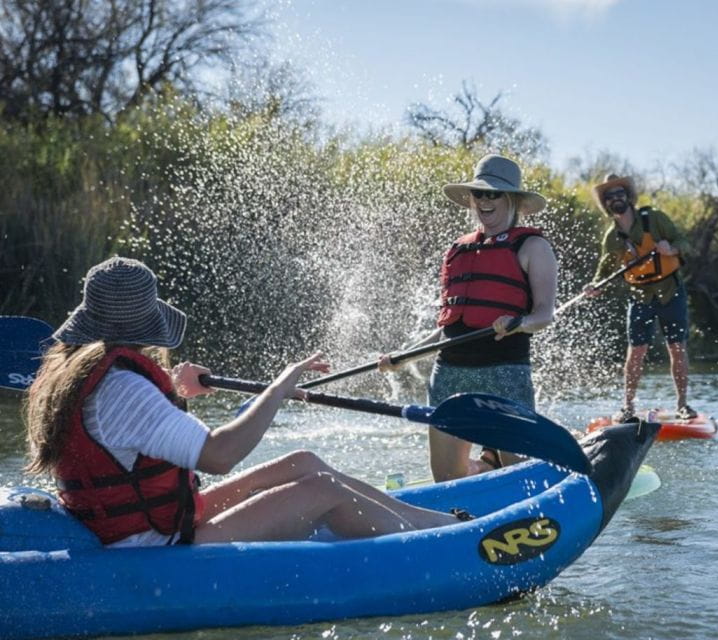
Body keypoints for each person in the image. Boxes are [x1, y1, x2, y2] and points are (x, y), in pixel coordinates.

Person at [24, 257, 463, 548]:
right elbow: (220, 456)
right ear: (142, 323)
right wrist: (279, 387)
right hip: (154, 541)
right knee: (324, 492)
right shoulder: (124, 388)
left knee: (303, 461)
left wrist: (176, 394)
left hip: (150, 520)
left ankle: (436, 521)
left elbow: (128, 431)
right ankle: (442, 544)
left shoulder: (85, 373)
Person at [379, 154, 558, 481]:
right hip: (450, 375)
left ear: (512, 200)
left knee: (519, 474)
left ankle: (500, 473)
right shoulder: (457, 250)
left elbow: (544, 314)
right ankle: (467, 503)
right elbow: (446, 330)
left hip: (504, 372)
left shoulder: (533, 247)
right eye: (479, 193)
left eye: (494, 194)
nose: (484, 201)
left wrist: (518, 323)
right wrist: (403, 357)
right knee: (447, 480)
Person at [584, 173, 697, 422]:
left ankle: (682, 404)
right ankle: (628, 407)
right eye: (610, 196)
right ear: (606, 203)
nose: (616, 199)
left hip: (670, 292)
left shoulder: (654, 219)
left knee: (676, 347)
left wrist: (672, 248)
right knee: (636, 350)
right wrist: (594, 287)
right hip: (640, 296)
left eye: (620, 194)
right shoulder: (612, 238)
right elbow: (603, 273)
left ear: (628, 196)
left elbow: (685, 242)